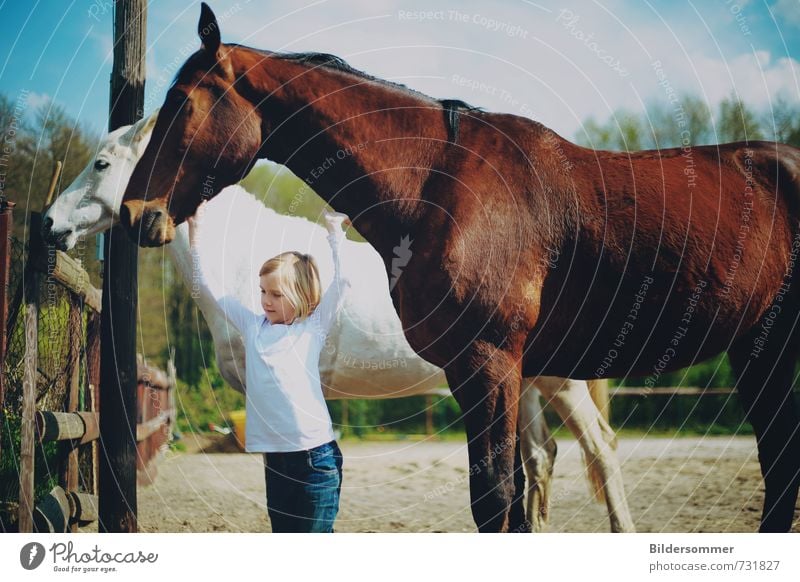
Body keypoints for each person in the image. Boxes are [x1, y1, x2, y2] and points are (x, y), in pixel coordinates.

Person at [188, 201, 352, 533]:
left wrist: (335, 233)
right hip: (275, 462)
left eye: (276, 294)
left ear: (302, 294)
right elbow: (206, 284)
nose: (265, 300)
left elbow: (344, 281)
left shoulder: (313, 328)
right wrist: (196, 230)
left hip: (315, 460)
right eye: (263, 291)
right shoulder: (252, 325)